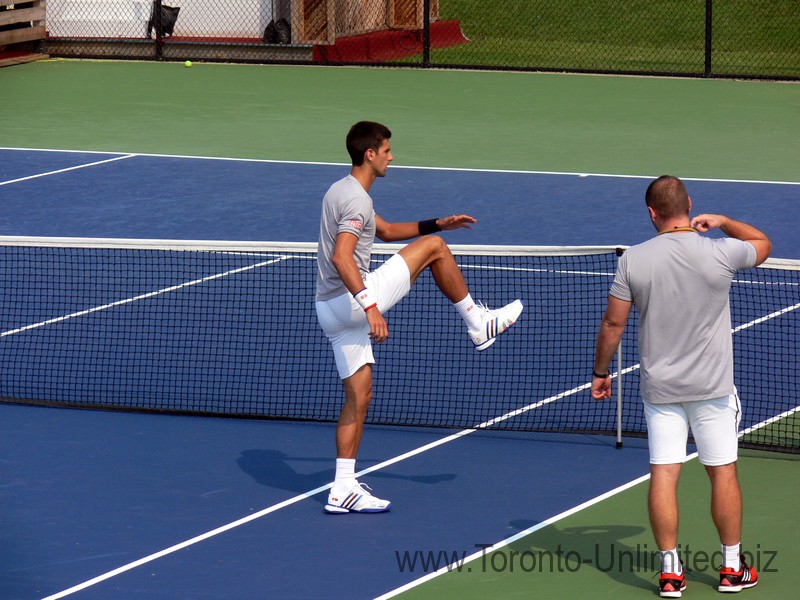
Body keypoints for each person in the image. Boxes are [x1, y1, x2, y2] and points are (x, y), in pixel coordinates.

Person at [315, 121, 523, 514]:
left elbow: (390, 232)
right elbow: (341, 256)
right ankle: (478, 323)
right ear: (370, 154)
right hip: (352, 302)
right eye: (387, 150)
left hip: (329, 310)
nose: (392, 156)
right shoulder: (357, 201)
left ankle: (342, 488)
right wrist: (370, 307)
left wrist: (436, 222)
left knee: (359, 397)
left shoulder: (341, 191)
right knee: (435, 249)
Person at [591, 175, 771, 597]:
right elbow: (763, 242)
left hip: (661, 391)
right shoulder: (722, 251)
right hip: (712, 389)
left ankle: (671, 574)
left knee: (664, 475)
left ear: (652, 213)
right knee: (722, 472)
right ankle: (731, 569)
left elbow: (613, 324)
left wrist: (601, 373)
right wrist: (723, 220)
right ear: (690, 204)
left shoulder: (633, 260)